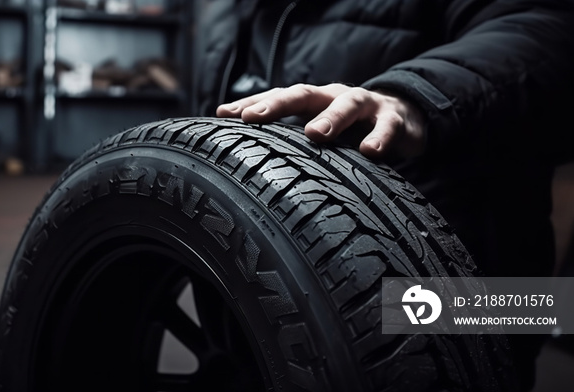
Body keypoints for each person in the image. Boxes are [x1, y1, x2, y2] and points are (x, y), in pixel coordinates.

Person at [195, 0, 574, 390]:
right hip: (270, 322)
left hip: (463, 301)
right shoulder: (228, 13)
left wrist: (412, 97)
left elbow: (550, 28)